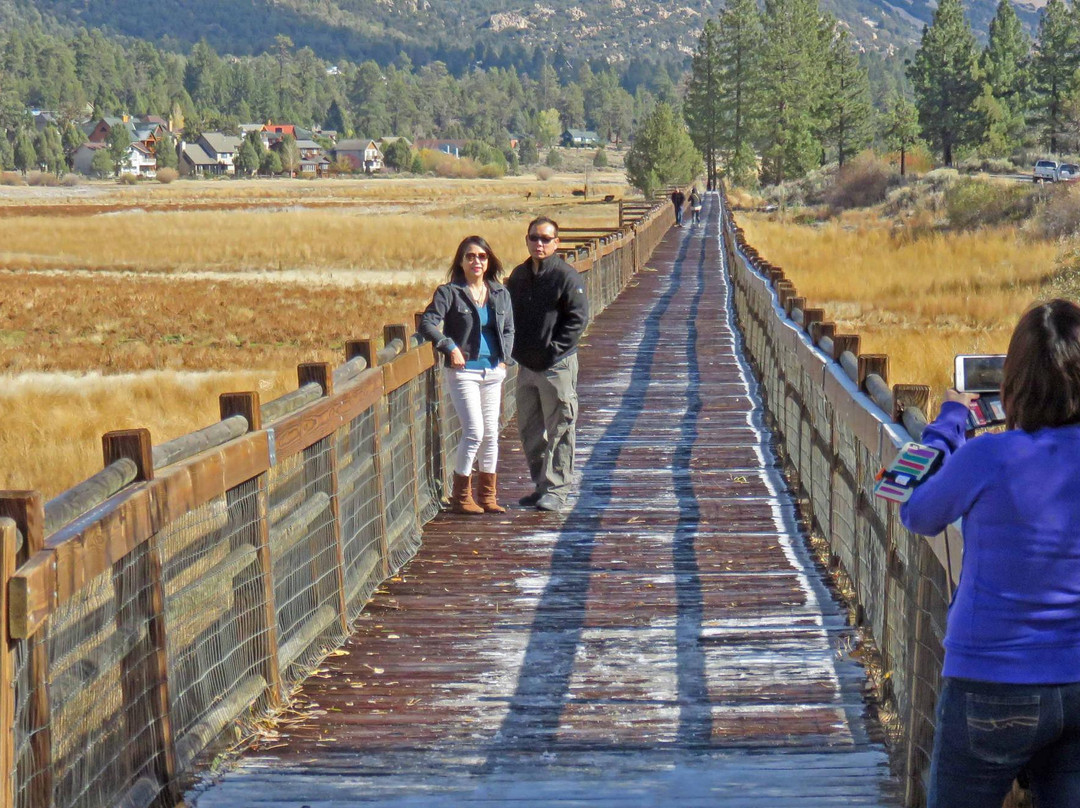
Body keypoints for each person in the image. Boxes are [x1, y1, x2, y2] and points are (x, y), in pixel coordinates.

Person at [901, 298, 1080, 808]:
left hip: (992, 682)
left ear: (1013, 379)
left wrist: (950, 422)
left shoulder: (987, 456)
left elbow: (917, 512)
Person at [420, 236, 514, 515]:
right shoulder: (449, 293)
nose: (476, 261)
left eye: (482, 256)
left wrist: (504, 361)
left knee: (491, 433)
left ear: (489, 261)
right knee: (474, 432)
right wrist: (449, 346)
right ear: (460, 262)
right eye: (470, 256)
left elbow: (509, 329)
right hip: (464, 372)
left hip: (493, 370)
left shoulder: (499, 292)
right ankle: (461, 496)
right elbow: (427, 323)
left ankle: (487, 496)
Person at [505, 216, 589, 512]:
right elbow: (507, 315)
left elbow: (578, 319)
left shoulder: (566, 276)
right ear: (526, 240)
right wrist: (515, 350)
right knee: (529, 429)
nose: (538, 244)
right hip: (526, 365)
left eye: (545, 239)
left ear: (557, 243)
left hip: (557, 365)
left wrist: (553, 351)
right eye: (534, 238)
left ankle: (557, 489)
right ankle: (542, 485)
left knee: (561, 426)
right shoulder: (519, 276)